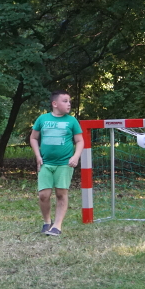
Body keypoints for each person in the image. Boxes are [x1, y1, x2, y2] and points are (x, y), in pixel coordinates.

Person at [30, 91, 84, 236]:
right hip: (45, 163)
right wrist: (37, 156)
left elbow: (80, 141)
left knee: (61, 193)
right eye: (65, 101)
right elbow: (33, 138)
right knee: (43, 195)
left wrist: (76, 156)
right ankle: (47, 222)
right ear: (54, 104)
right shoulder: (42, 119)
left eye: (69, 101)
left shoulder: (72, 121)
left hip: (64, 164)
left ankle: (57, 226)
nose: (69, 104)